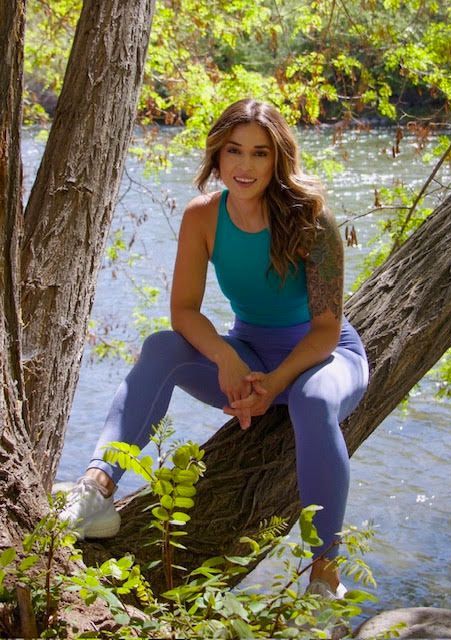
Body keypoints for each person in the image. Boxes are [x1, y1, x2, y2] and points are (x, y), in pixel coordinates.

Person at [60, 98, 369, 599]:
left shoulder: (313, 219)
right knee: (162, 347)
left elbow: (326, 330)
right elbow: (183, 310)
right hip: (248, 351)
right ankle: (98, 487)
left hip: (321, 359)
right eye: (234, 151)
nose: (245, 166)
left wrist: (274, 382)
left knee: (312, 402)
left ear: (278, 159)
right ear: (217, 155)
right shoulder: (203, 216)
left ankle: (324, 571)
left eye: (260, 154)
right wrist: (229, 359)